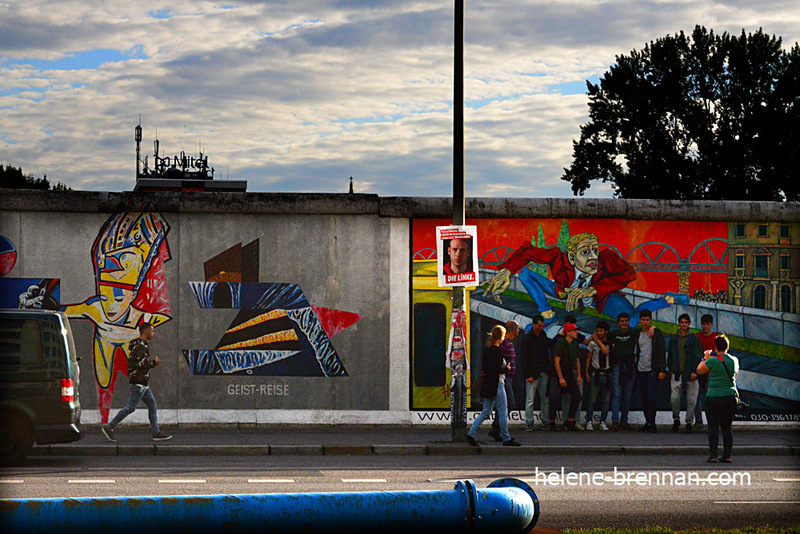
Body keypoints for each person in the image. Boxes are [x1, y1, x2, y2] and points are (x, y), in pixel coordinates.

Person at [483, 232, 688, 327]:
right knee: (526, 273)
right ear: (572, 257)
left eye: (594, 251)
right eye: (585, 252)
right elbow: (527, 251)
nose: (592, 257)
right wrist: (507, 271)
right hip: (564, 292)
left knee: (633, 320)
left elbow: (628, 274)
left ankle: (667, 300)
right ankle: (548, 315)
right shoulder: (558, 257)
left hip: (599, 298)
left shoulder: (606, 259)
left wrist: (594, 290)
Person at [101, 322, 172, 442]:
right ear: (146, 332)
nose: (153, 334)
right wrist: (154, 363)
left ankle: (156, 432)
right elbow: (142, 364)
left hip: (142, 383)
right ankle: (109, 427)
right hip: (139, 383)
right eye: (152, 331)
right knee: (130, 408)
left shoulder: (137, 344)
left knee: (152, 405)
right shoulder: (141, 346)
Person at [466, 325, 520, 447]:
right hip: (497, 385)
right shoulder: (497, 351)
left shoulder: (487, 350)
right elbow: (496, 369)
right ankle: (506, 438)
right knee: (502, 411)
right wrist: (506, 369)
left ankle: (471, 433)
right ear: (501, 336)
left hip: (488, 385)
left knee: (485, 412)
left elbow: (486, 368)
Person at [696, 335, 739, 463]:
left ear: (715, 347)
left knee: (713, 427)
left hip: (714, 397)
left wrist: (705, 358)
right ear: (728, 347)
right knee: (726, 427)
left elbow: (700, 370)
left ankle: (713, 455)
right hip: (730, 397)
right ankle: (727, 455)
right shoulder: (734, 360)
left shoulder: (713, 361)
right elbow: (735, 372)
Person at [667, 314, 703, 433]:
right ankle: (676, 420)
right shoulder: (674, 338)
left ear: (689, 324)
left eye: (686, 322)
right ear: (679, 323)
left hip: (691, 374)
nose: (684, 324)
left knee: (692, 400)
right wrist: (671, 368)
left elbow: (698, 355)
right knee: (674, 399)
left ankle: (689, 422)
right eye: (682, 322)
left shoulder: (693, 338)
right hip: (677, 372)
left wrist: (695, 371)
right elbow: (671, 354)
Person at [519, 315, 552, 431]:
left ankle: (544, 421)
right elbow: (524, 358)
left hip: (542, 371)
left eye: (542, 326)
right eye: (539, 326)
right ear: (534, 324)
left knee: (543, 398)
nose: (541, 328)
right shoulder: (527, 339)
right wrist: (528, 375)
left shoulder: (541, 336)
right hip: (533, 373)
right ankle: (529, 422)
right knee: (531, 398)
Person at [635, 309, 666, 433]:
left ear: (650, 320)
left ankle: (652, 423)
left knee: (651, 396)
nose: (645, 322)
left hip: (652, 370)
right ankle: (647, 422)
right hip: (640, 369)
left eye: (647, 320)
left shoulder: (656, 333)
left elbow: (662, 350)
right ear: (639, 320)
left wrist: (662, 369)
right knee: (643, 397)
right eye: (643, 320)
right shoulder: (637, 334)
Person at [548, 322, 583, 431]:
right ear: (568, 332)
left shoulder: (575, 344)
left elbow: (577, 359)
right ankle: (551, 421)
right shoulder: (560, 343)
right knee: (554, 397)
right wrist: (560, 378)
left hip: (570, 373)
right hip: (558, 373)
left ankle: (570, 420)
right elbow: (556, 361)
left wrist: (579, 374)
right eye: (574, 331)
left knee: (577, 396)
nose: (576, 333)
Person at [489, 320, 519, 440]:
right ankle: (497, 428)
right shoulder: (505, 343)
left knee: (503, 404)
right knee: (509, 403)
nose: (518, 331)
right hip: (504, 378)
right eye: (517, 329)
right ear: (513, 330)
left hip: (508, 378)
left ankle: (497, 429)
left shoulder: (508, 343)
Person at [609, 312, 637, 430]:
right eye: (622, 321)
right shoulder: (613, 333)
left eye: (626, 321)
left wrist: (652, 328)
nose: (624, 323)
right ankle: (615, 421)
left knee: (627, 395)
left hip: (630, 366)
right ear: (618, 323)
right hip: (617, 366)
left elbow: (650, 328)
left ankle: (624, 422)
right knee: (617, 394)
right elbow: (597, 335)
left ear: (629, 322)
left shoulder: (634, 332)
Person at [584, 321, 613, 431]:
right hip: (595, 373)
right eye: (598, 330)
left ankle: (603, 421)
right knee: (592, 398)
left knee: (606, 399)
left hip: (607, 373)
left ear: (606, 332)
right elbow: (588, 358)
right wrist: (586, 372)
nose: (600, 333)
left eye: (602, 330)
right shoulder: (593, 344)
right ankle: (589, 421)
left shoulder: (610, 343)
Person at [694, 314, 718, 430]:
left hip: (711, 372)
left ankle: (712, 423)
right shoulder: (696, 337)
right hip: (698, 371)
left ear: (712, 325)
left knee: (711, 398)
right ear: (701, 324)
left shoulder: (716, 338)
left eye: (708, 324)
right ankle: (698, 422)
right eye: (704, 324)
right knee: (696, 397)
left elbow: (720, 355)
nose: (705, 327)